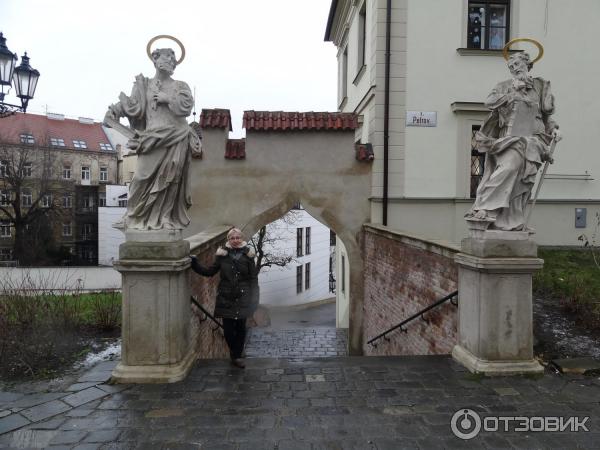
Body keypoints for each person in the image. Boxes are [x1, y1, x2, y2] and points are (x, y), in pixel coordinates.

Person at [105, 48, 201, 230]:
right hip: (151, 138)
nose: (171, 61)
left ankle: (166, 218)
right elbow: (132, 104)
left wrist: (167, 98)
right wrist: (115, 110)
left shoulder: (180, 85)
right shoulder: (144, 85)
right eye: (167, 57)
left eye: (173, 59)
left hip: (176, 136)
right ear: (155, 59)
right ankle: (132, 216)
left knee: (171, 179)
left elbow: (186, 107)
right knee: (141, 176)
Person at [465, 51, 562, 231]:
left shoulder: (539, 87)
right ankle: (485, 208)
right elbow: (490, 103)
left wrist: (554, 128)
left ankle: (513, 221)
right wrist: (512, 91)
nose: (514, 69)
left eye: (517, 65)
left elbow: (546, 116)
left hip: (534, 141)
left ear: (527, 64)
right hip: (510, 139)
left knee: (522, 180)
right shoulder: (505, 86)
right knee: (509, 166)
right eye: (511, 67)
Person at [190, 228, 259, 368]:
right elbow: (209, 272)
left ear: (242, 238)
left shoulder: (249, 255)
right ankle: (235, 353)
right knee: (228, 331)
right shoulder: (222, 255)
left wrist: (254, 299)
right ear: (228, 240)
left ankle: (237, 357)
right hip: (226, 297)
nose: (235, 240)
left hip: (243, 296)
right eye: (232, 238)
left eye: (237, 237)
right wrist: (194, 263)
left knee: (240, 328)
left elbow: (253, 279)